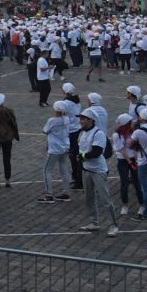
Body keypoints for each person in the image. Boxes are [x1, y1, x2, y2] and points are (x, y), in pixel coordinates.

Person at [77, 108, 120, 236]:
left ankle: (114, 225)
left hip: (98, 171)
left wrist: (81, 157)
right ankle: (94, 222)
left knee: (104, 198)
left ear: (90, 120)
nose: (81, 121)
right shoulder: (82, 133)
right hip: (86, 169)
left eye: (83, 119)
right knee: (89, 198)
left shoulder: (98, 133)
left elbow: (96, 152)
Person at [40, 100, 74, 202]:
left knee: (47, 170)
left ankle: (49, 194)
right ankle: (66, 192)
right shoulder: (66, 119)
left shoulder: (52, 120)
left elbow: (45, 130)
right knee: (64, 170)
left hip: (55, 148)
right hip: (64, 147)